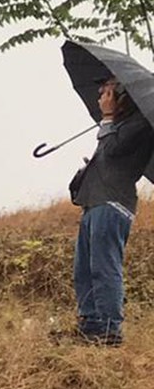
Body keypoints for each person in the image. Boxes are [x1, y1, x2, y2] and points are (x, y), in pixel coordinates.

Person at [69, 78, 154, 345]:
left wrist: (106, 119)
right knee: (84, 269)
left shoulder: (140, 124)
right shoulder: (118, 126)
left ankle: (109, 329)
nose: (101, 99)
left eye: (106, 93)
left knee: (104, 267)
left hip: (112, 204)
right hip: (95, 202)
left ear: (122, 97)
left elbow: (116, 150)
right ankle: (91, 324)